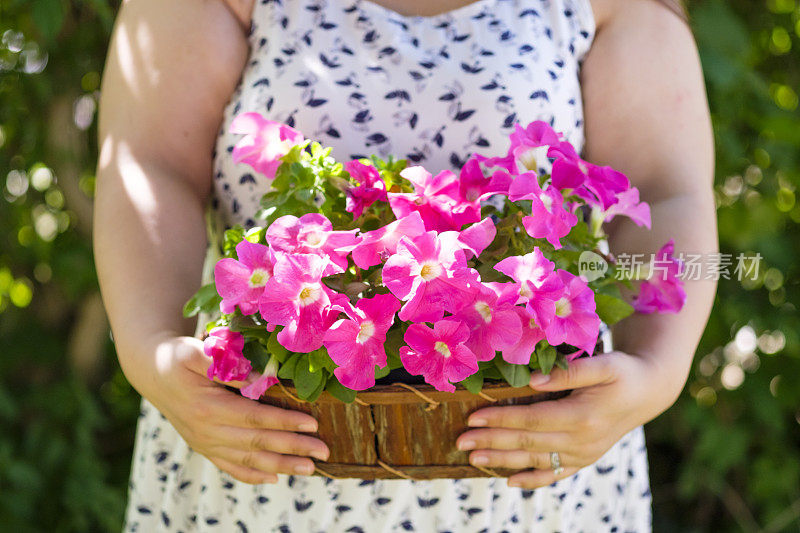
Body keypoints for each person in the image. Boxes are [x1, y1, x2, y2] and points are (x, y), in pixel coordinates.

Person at [93, 0, 717, 530]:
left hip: (534, 479)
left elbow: (669, 192)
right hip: (255, 460)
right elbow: (147, 167)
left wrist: (657, 374)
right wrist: (152, 355)